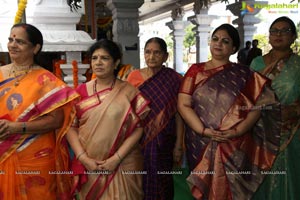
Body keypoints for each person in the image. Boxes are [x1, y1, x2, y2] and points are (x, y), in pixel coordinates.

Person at [177, 24, 281, 200]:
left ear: (233, 48)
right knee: (204, 189)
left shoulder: (245, 74)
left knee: (230, 189)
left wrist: (237, 131)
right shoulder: (196, 71)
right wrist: (203, 131)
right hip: (200, 142)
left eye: (225, 41)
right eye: (215, 39)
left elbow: (258, 106)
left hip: (233, 144)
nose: (218, 44)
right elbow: (183, 104)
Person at [0, 23, 79, 199]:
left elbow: (56, 120)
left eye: (20, 41)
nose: (13, 45)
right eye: (10, 39)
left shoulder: (47, 81)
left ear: (35, 48)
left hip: (35, 156)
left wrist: (16, 127)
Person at [66, 39, 150, 199]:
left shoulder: (128, 92)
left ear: (116, 62)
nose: (98, 62)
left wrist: (116, 159)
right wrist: (83, 158)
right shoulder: (80, 92)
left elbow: (138, 128)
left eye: (104, 58)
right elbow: (71, 127)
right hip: (90, 164)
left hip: (123, 162)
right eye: (94, 58)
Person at [127, 37, 184, 200]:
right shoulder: (133, 77)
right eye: (148, 52)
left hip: (165, 140)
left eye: (157, 53)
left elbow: (179, 113)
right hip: (138, 139)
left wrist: (179, 145)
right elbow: (128, 110)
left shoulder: (174, 79)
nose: (151, 57)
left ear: (165, 56)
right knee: (140, 180)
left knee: (162, 180)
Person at [250, 16, 300, 200]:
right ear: (269, 37)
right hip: (260, 133)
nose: (278, 34)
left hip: (292, 133)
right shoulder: (256, 64)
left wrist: (294, 111)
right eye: (274, 31)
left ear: (293, 36)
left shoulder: (298, 65)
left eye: (284, 31)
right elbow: (248, 98)